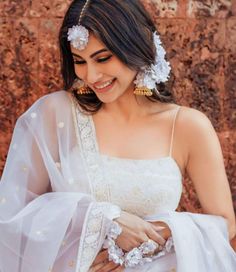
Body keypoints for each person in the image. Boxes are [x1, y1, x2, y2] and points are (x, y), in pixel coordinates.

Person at [0, 0, 235, 271]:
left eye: (102, 58)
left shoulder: (186, 126)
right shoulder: (55, 114)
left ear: (137, 46)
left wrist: (159, 232)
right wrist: (105, 220)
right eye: (79, 61)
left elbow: (225, 224)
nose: (91, 75)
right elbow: (11, 216)